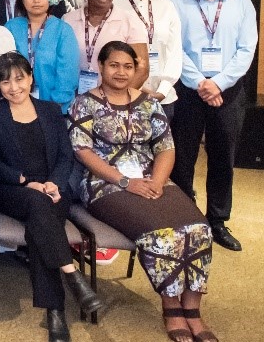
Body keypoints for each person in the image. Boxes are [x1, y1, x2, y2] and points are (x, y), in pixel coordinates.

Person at [70, 42, 218, 342]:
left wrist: (157, 182)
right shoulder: (83, 104)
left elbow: (166, 147)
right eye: (114, 65)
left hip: (153, 178)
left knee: (199, 228)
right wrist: (126, 182)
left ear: (136, 69)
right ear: (101, 66)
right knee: (160, 231)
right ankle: (171, 306)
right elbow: (83, 152)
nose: (121, 72)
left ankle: (192, 308)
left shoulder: (150, 104)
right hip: (105, 183)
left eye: (128, 66)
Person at [0, 53, 102, 340]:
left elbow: (65, 156)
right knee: (40, 209)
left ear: (31, 77)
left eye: (20, 78)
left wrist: (53, 184)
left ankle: (56, 310)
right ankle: (72, 275)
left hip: (52, 192)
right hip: (11, 190)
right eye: (6, 81)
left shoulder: (51, 110)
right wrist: (24, 181)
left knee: (41, 224)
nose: (14, 87)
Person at [170, 0, 257, 253]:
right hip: (189, 89)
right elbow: (173, 49)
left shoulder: (241, 4)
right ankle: (184, 216)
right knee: (183, 155)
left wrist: (218, 83)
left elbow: (246, 50)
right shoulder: (176, 2)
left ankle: (218, 220)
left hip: (228, 90)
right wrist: (201, 83)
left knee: (223, 155)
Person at [63, 0, 150, 97]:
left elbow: (142, 69)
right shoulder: (68, 20)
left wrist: (113, 101)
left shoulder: (130, 21)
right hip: (73, 99)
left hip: (113, 103)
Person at [6, 0, 81, 112]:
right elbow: (3, 68)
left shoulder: (62, 30)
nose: (36, 0)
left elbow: (68, 74)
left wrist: (54, 107)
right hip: (14, 106)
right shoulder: (11, 27)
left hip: (53, 108)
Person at [123, 0, 184, 116]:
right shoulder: (114, 6)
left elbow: (175, 51)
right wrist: (139, 87)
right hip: (125, 94)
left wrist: (163, 89)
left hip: (163, 98)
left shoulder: (166, 7)